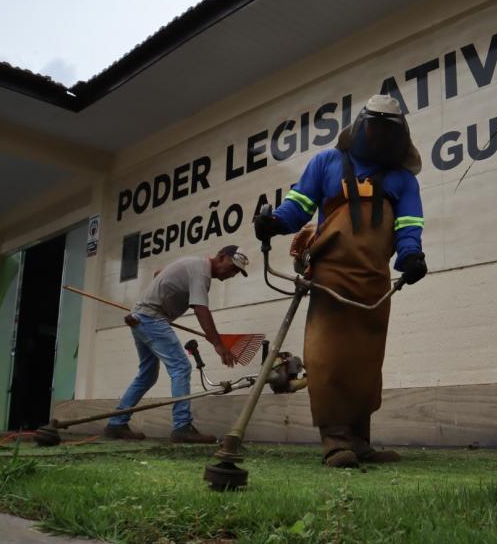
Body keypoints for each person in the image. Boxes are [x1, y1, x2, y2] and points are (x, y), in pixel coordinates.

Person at [254, 94, 428, 467]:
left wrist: (411, 255)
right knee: (328, 358)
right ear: (361, 127)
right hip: (329, 278)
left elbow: (409, 224)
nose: (379, 136)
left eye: (388, 130)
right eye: (374, 127)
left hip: (374, 282)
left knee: (365, 362)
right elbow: (298, 206)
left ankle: (360, 441)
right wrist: (275, 223)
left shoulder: (402, 180)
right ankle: (334, 440)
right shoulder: (327, 163)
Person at [104, 245, 249, 443]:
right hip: (152, 318)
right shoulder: (202, 272)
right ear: (221, 257)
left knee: (147, 375)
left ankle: (116, 424)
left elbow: (159, 273)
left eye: (237, 273)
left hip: (141, 317)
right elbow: (201, 309)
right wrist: (218, 344)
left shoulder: (193, 265)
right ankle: (182, 427)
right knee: (181, 367)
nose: (232, 274)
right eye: (232, 268)